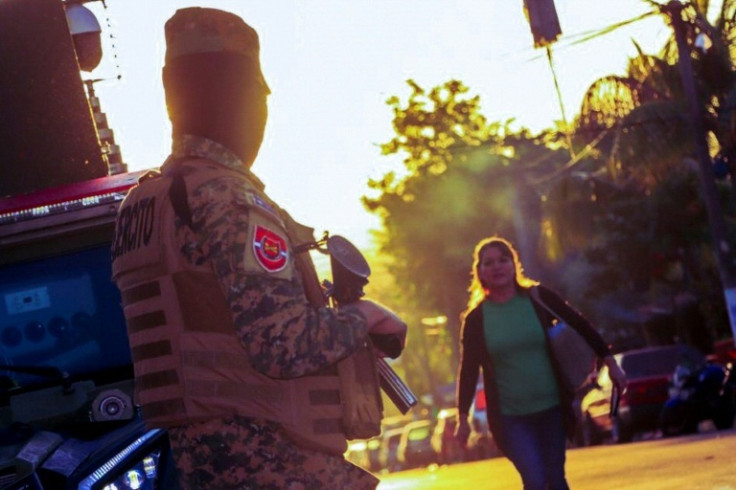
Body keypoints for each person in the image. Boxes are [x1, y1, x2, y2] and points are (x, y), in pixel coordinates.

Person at [110, 7, 406, 489]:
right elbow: (282, 346)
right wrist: (368, 317)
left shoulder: (145, 203)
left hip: (202, 465)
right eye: (256, 93)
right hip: (272, 460)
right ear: (240, 95)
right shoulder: (226, 199)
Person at [454, 236, 626, 490]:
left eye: (503, 260)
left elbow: (579, 324)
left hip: (552, 408)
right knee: (534, 480)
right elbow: (468, 369)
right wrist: (462, 417)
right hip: (511, 417)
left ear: (514, 265)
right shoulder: (476, 319)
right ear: (479, 272)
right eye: (488, 263)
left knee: (555, 478)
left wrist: (611, 364)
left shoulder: (537, 298)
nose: (497, 267)